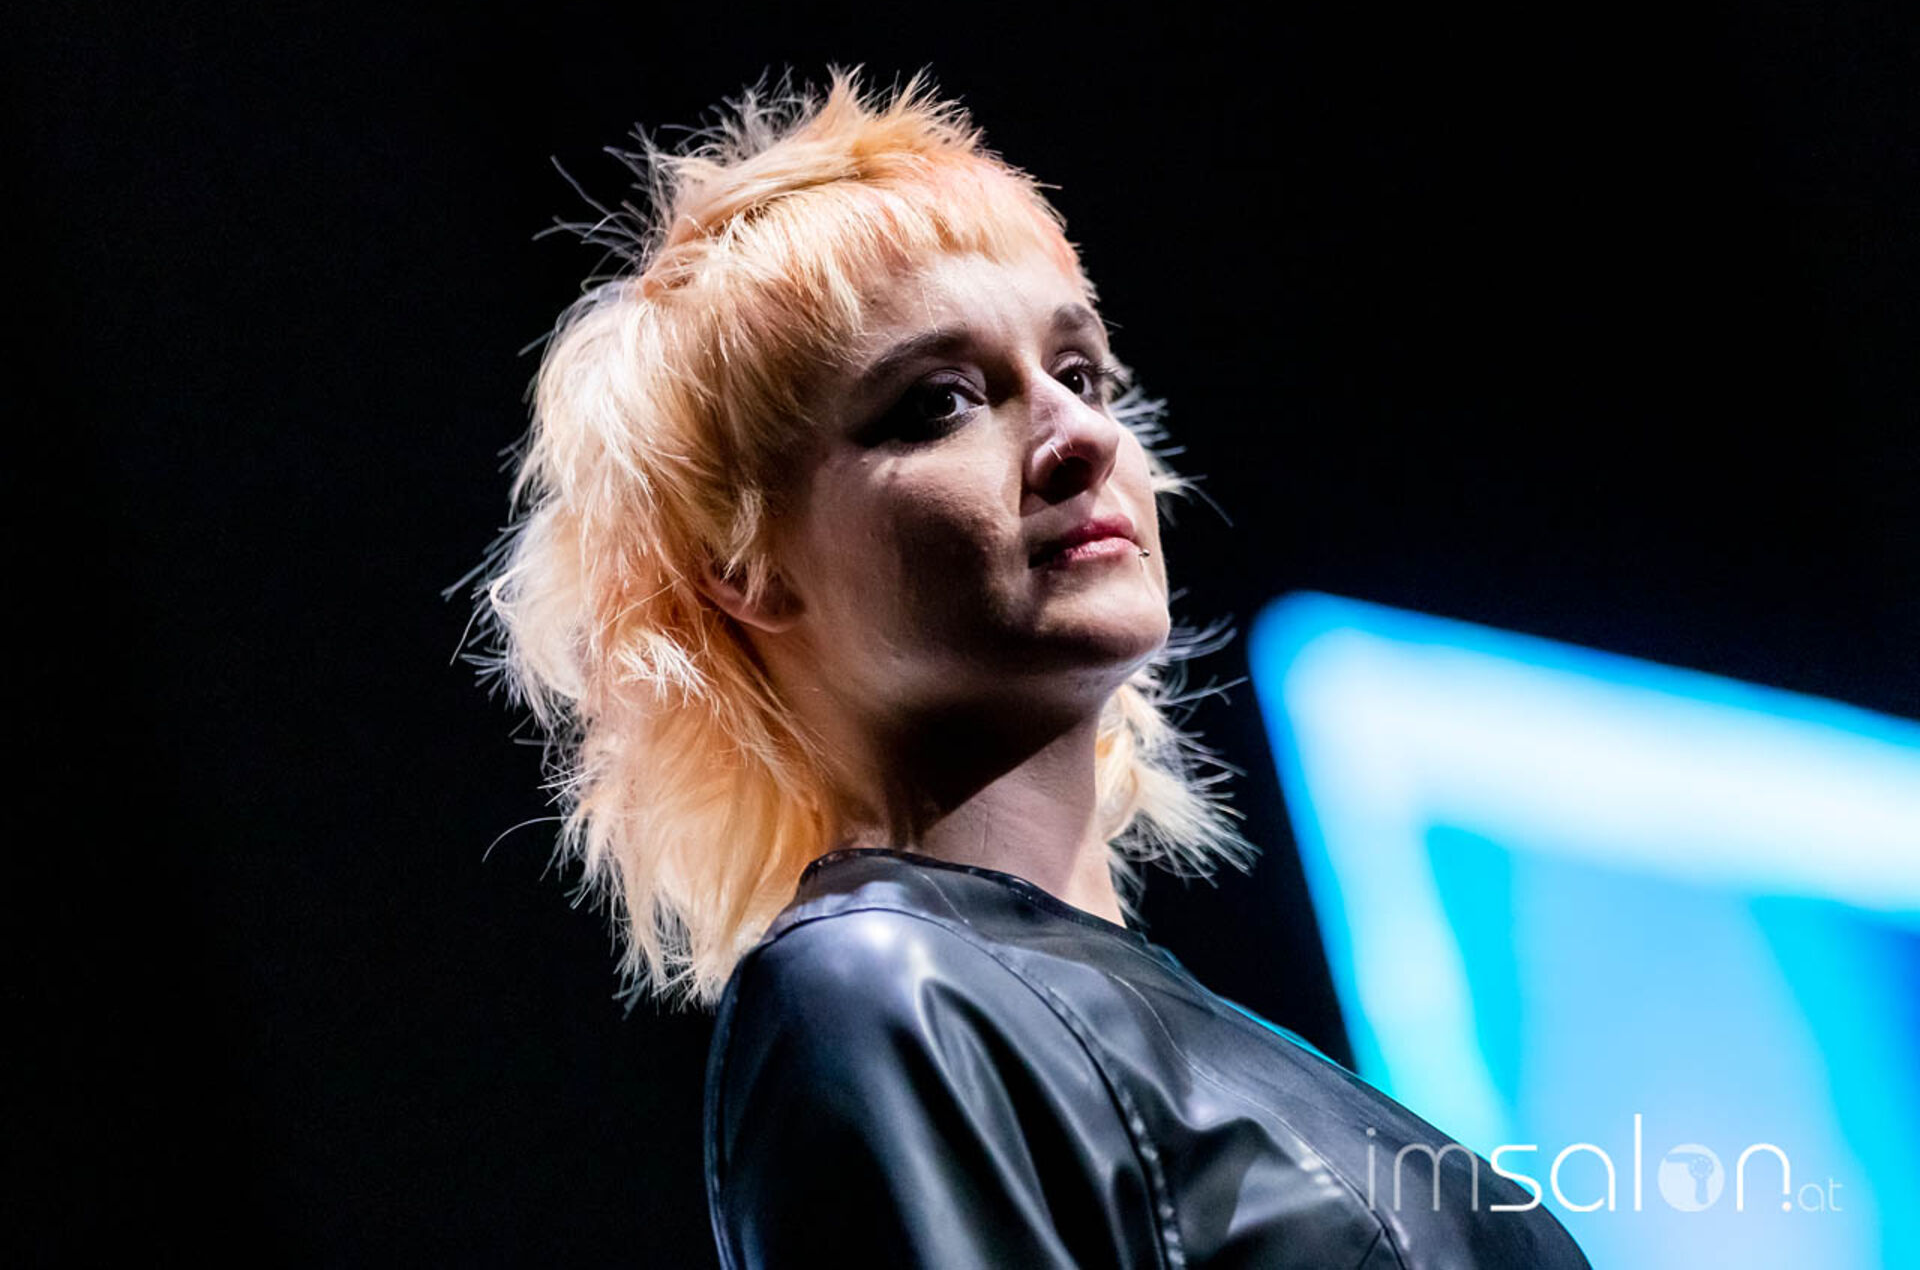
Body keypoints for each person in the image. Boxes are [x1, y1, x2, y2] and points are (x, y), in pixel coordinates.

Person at [467, 67, 1592, 1269]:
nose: (1082, 435)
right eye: (941, 401)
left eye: (1083, 372)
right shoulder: (874, 985)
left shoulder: (1191, 1039)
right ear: (744, 568)